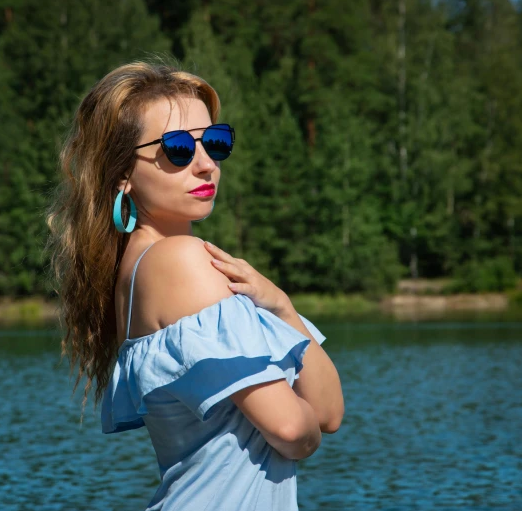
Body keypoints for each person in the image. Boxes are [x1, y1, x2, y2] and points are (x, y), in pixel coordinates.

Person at [45, 60, 344, 510]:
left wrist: (281, 306)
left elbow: (329, 414)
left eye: (215, 142)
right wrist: (300, 420)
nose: (206, 165)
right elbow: (294, 431)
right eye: (178, 149)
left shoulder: (140, 267)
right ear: (122, 173)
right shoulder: (178, 261)